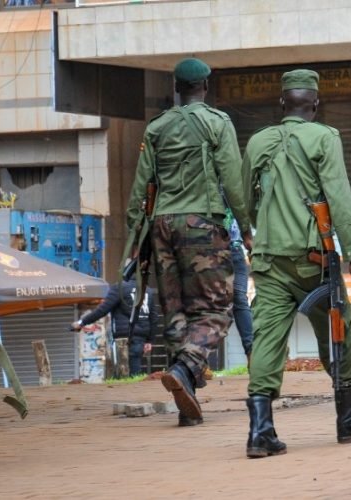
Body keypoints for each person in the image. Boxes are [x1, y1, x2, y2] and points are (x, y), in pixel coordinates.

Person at [242, 69, 351, 458]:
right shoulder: (325, 137)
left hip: (269, 257)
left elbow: (246, 198)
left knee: (267, 337)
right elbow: (339, 199)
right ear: (316, 104)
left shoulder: (258, 141)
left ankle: (260, 432)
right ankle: (348, 417)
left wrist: (260, 229)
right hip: (313, 259)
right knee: (337, 328)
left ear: (282, 103)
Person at [126, 58, 251, 427]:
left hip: (161, 226)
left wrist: (135, 234)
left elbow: (141, 186)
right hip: (202, 223)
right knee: (216, 309)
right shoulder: (217, 122)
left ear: (176, 88)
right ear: (205, 87)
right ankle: (184, 369)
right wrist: (245, 226)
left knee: (176, 311)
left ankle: (188, 404)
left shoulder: (157, 127)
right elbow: (233, 179)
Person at [71, 281, 158, 377]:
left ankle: (129, 383)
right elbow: (154, 317)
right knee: (135, 368)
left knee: (122, 371)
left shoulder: (120, 288)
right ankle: (135, 382)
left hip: (123, 337)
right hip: (140, 337)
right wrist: (150, 340)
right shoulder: (147, 290)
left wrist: (82, 322)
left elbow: (102, 310)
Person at [225, 207, 253, 364]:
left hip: (235, 250)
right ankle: (197, 360)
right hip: (211, 252)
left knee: (240, 301)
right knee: (207, 303)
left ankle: (252, 353)